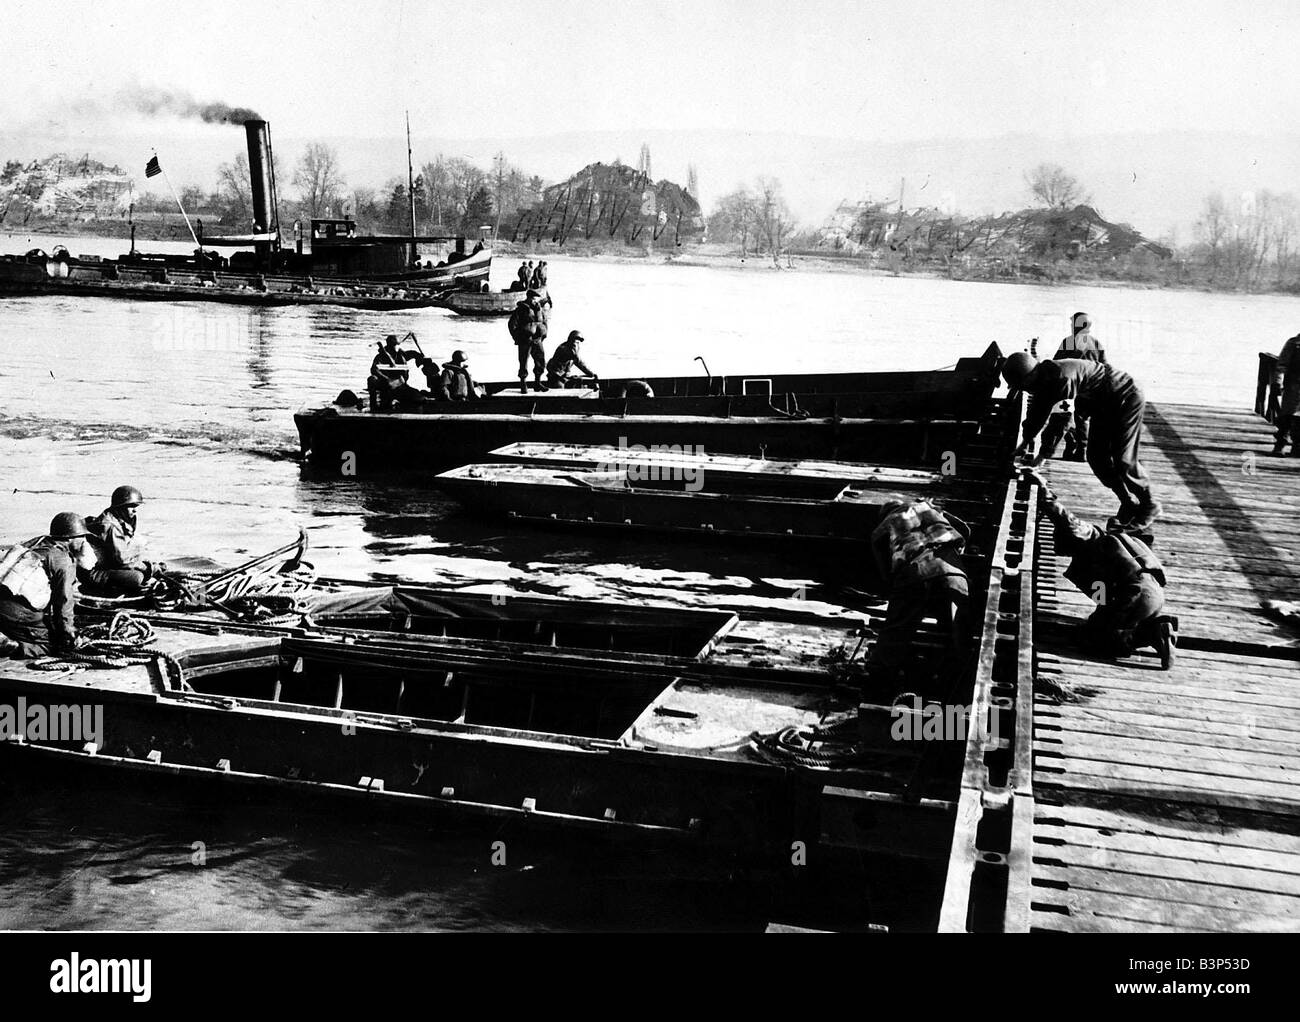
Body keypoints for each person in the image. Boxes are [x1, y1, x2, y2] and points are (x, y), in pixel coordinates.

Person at [1027, 470, 1177, 668]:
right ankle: (1158, 628)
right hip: (1154, 597)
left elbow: (1066, 520)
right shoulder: (1120, 542)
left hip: (1134, 595)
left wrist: (1044, 492)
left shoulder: (1090, 539)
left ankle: (1153, 634)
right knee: (1106, 628)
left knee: (1097, 642)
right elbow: (1104, 600)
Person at [1003, 351, 1161, 531]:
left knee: (1123, 459)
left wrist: (1040, 459)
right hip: (1103, 403)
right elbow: (1037, 412)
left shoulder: (1062, 380)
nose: (1022, 390)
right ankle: (1128, 502)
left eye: (1021, 385)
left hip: (1125, 395)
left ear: (1030, 375)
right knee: (1096, 457)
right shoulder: (1042, 378)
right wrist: (1025, 442)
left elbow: (1061, 421)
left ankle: (1150, 504)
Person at [863, 495, 971, 698]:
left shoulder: (884, 526)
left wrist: (894, 589)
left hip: (915, 572)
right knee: (959, 634)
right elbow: (965, 530)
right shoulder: (928, 507)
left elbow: (885, 571)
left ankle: (876, 685)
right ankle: (960, 687)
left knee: (895, 631)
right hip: (954, 572)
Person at [0, 512, 90, 658]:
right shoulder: (63, 560)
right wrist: (69, 632)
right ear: (69, 538)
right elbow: (63, 601)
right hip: (17, 613)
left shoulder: (37, 542)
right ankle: (13, 647)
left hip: (4, 600)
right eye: (82, 537)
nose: (84, 541)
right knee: (54, 645)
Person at [1044, 312, 1108, 460]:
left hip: (1071, 388)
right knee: (1082, 419)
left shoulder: (1070, 342)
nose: (1071, 326)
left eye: (1073, 324)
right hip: (1092, 387)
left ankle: (1073, 444)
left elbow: (1056, 364)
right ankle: (1081, 450)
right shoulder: (1097, 343)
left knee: (1065, 416)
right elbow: (1105, 367)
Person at [82, 485, 163, 597]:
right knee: (137, 577)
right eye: (131, 506)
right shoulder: (111, 526)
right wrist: (147, 568)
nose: (135, 510)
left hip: (109, 564)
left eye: (136, 506)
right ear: (119, 507)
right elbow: (122, 561)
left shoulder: (120, 518)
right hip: (95, 571)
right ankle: (106, 591)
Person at [508, 290, 548, 393]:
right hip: (525, 340)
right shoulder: (520, 310)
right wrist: (518, 337)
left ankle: (537, 383)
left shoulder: (540, 309)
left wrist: (544, 334)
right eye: (533, 299)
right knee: (523, 362)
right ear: (529, 298)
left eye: (536, 299)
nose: (535, 301)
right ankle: (523, 383)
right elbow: (512, 325)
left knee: (540, 361)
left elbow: (544, 322)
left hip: (537, 340)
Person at [367, 334, 417, 412]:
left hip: (398, 382)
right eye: (392, 345)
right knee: (371, 379)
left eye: (395, 345)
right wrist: (387, 379)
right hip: (384, 380)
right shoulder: (380, 356)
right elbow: (374, 369)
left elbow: (405, 375)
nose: (393, 347)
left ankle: (391, 401)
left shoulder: (401, 357)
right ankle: (373, 406)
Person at [1271, 332, 1300, 456]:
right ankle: (1280, 445)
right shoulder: (1294, 343)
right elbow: (1282, 365)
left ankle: (1297, 447)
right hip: (1293, 386)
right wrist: (1277, 383)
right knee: (1287, 417)